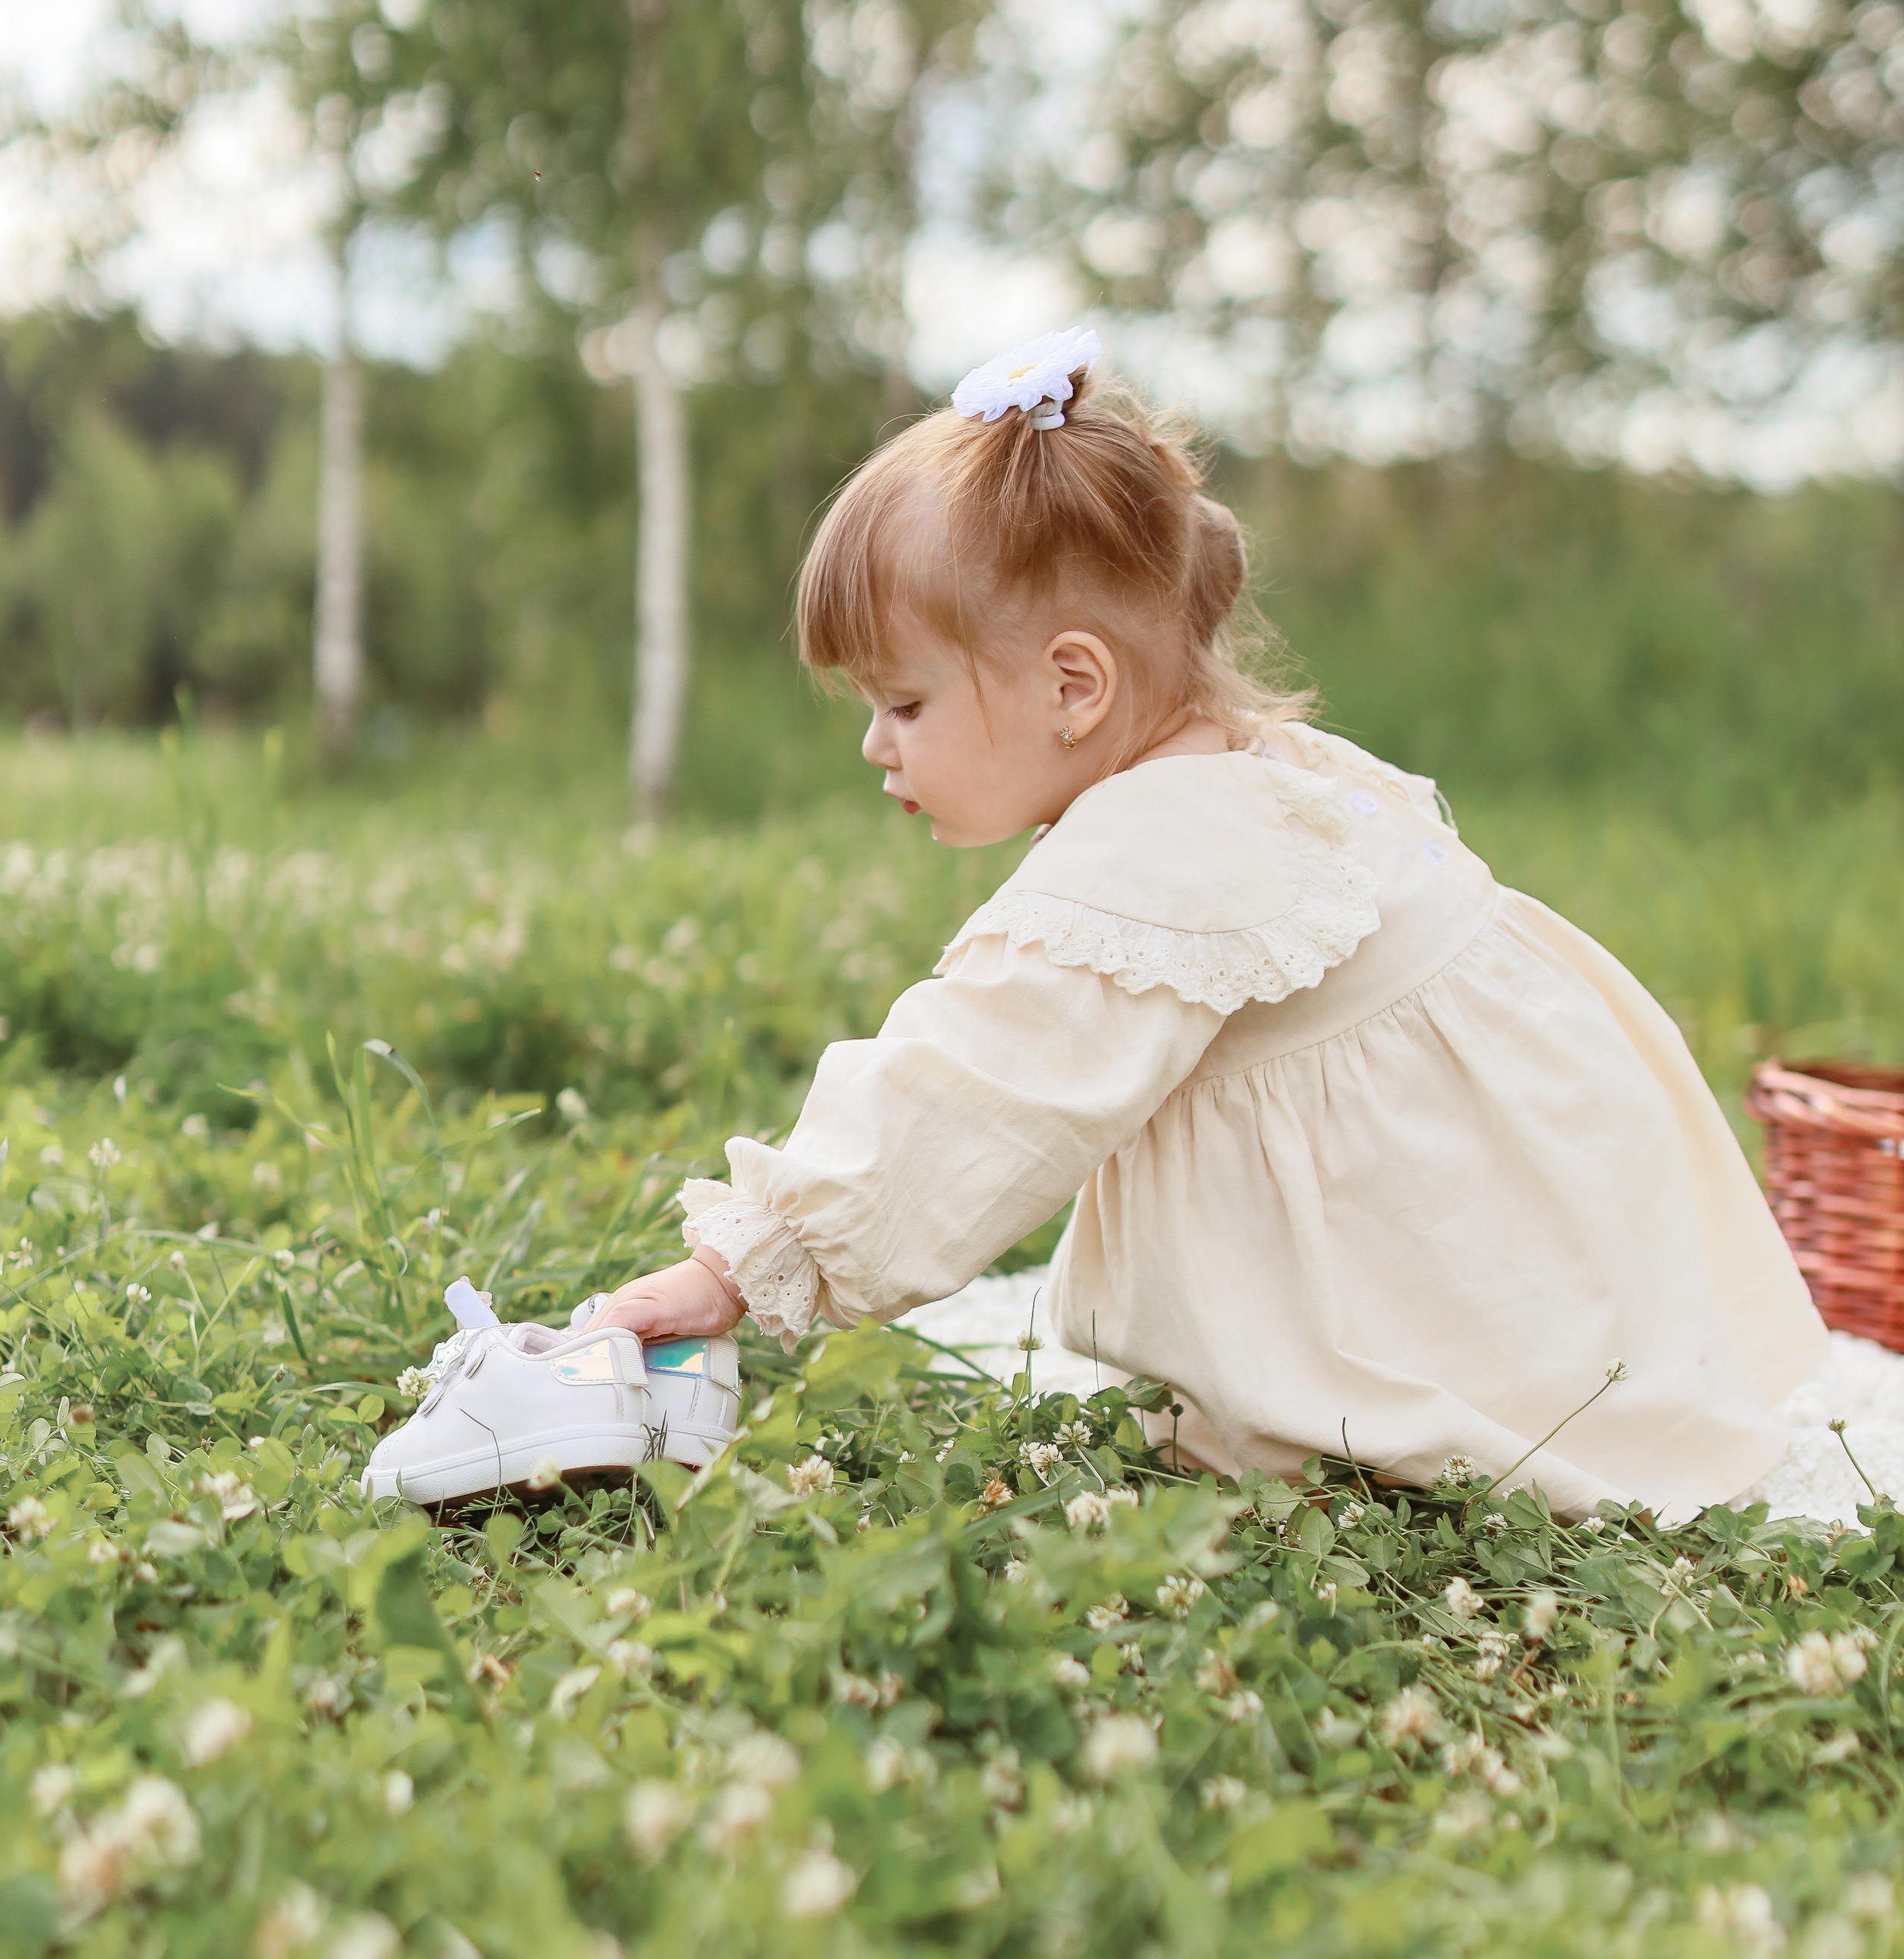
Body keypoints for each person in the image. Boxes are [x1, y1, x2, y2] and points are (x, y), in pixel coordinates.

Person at [581, 328, 1825, 1519]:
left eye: (904, 702)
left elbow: (976, 1085)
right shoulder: (1262, 778)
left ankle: (1348, 1407)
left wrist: (740, 1266)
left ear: (1076, 685)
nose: (875, 744)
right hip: (1547, 1284)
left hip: (1467, 1327)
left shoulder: (1162, 852)